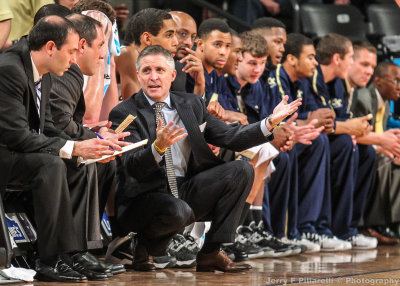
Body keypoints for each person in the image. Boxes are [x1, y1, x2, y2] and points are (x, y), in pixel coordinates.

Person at [109, 45, 301, 272]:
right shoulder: (125, 112)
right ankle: (143, 245)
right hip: (145, 197)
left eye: (160, 70)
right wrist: (158, 148)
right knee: (178, 210)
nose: (153, 77)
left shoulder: (192, 104)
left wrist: (270, 122)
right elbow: (131, 168)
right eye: (147, 70)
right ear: (138, 74)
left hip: (185, 188)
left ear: (172, 75)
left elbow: (231, 137)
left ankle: (211, 252)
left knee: (242, 170)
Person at [0, 15, 125, 282]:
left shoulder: (42, 69)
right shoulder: (10, 69)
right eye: (70, 51)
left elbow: (46, 127)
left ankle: (71, 253)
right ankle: (48, 259)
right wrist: (71, 146)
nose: (73, 59)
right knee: (52, 163)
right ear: (49, 47)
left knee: (77, 164)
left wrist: (84, 145)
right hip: (5, 152)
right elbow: (17, 136)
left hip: (18, 150)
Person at [48, 14, 130, 274]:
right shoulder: (68, 71)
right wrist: (93, 139)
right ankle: (72, 251)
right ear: (82, 44)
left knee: (103, 161)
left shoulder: (75, 68)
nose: (104, 54)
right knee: (88, 161)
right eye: (102, 44)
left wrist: (94, 134)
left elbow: (71, 121)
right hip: (40, 147)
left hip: (53, 139)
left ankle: (82, 249)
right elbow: (60, 123)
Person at [307, 33, 376, 249]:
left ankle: (347, 229)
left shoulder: (337, 83)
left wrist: (355, 128)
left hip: (327, 139)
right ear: (339, 58)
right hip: (307, 139)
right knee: (343, 144)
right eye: (352, 58)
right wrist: (350, 128)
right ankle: (320, 228)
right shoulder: (313, 78)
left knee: (366, 152)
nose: (368, 71)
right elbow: (318, 123)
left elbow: (338, 122)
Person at [352, 62, 400, 244]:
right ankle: (370, 224)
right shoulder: (364, 98)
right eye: (395, 80)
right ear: (378, 82)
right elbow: (358, 135)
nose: (399, 86)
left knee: (394, 160)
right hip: (360, 150)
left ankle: (390, 222)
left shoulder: (385, 103)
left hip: (372, 148)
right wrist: (382, 147)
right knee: (385, 161)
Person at [116, 8, 178, 100]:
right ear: (147, 39)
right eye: (169, 35)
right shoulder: (128, 53)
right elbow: (134, 110)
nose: (176, 42)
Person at [170, 11, 205, 96]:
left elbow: (189, 108)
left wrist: (199, 84)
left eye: (193, 37)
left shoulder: (180, 68)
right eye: (183, 34)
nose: (189, 42)